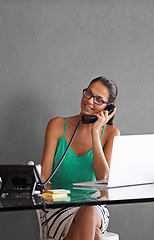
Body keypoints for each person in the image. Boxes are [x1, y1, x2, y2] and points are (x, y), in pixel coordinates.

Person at [40, 76, 120, 240]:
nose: (90, 101)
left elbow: (103, 179)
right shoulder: (57, 125)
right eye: (88, 94)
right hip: (59, 208)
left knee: (89, 210)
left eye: (99, 100)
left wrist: (95, 132)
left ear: (108, 108)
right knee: (95, 235)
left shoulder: (111, 134)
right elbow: (44, 178)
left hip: (96, 209)